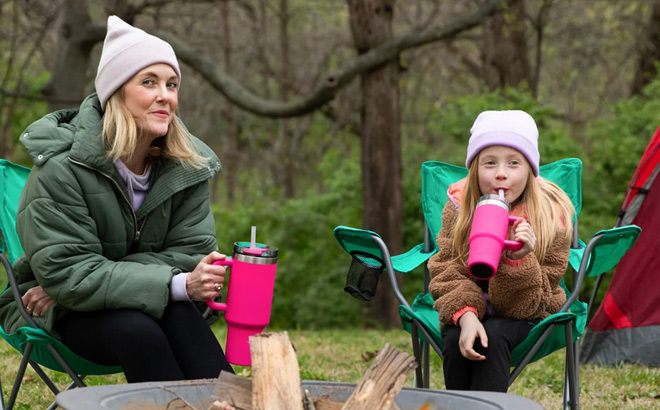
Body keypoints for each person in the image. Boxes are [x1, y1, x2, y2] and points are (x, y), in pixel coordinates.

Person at [0, 16, 234, 382]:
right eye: (149, 82)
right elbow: (70, 273)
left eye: (172, 84)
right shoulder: (63, 167)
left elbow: (191, 254)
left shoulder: (188, 168)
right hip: (62, 314)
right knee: (138, 328)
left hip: (75, 296)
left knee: (179, 312)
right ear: (116, 92)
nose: (165, 96)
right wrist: (173, 283)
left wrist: (94, 277)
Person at [427, 110, 575, 392]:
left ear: (530, 171)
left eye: (514, 163)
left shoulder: (550, 214)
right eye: (489, 163)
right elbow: (446, 268)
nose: (501, 173)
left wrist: (518, 259)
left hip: (529, 310)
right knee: (454, 338)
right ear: (475, 169)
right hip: (469, 303)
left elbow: (535, 301)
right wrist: (467, 316)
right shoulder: (459, 207)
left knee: (493, 334)